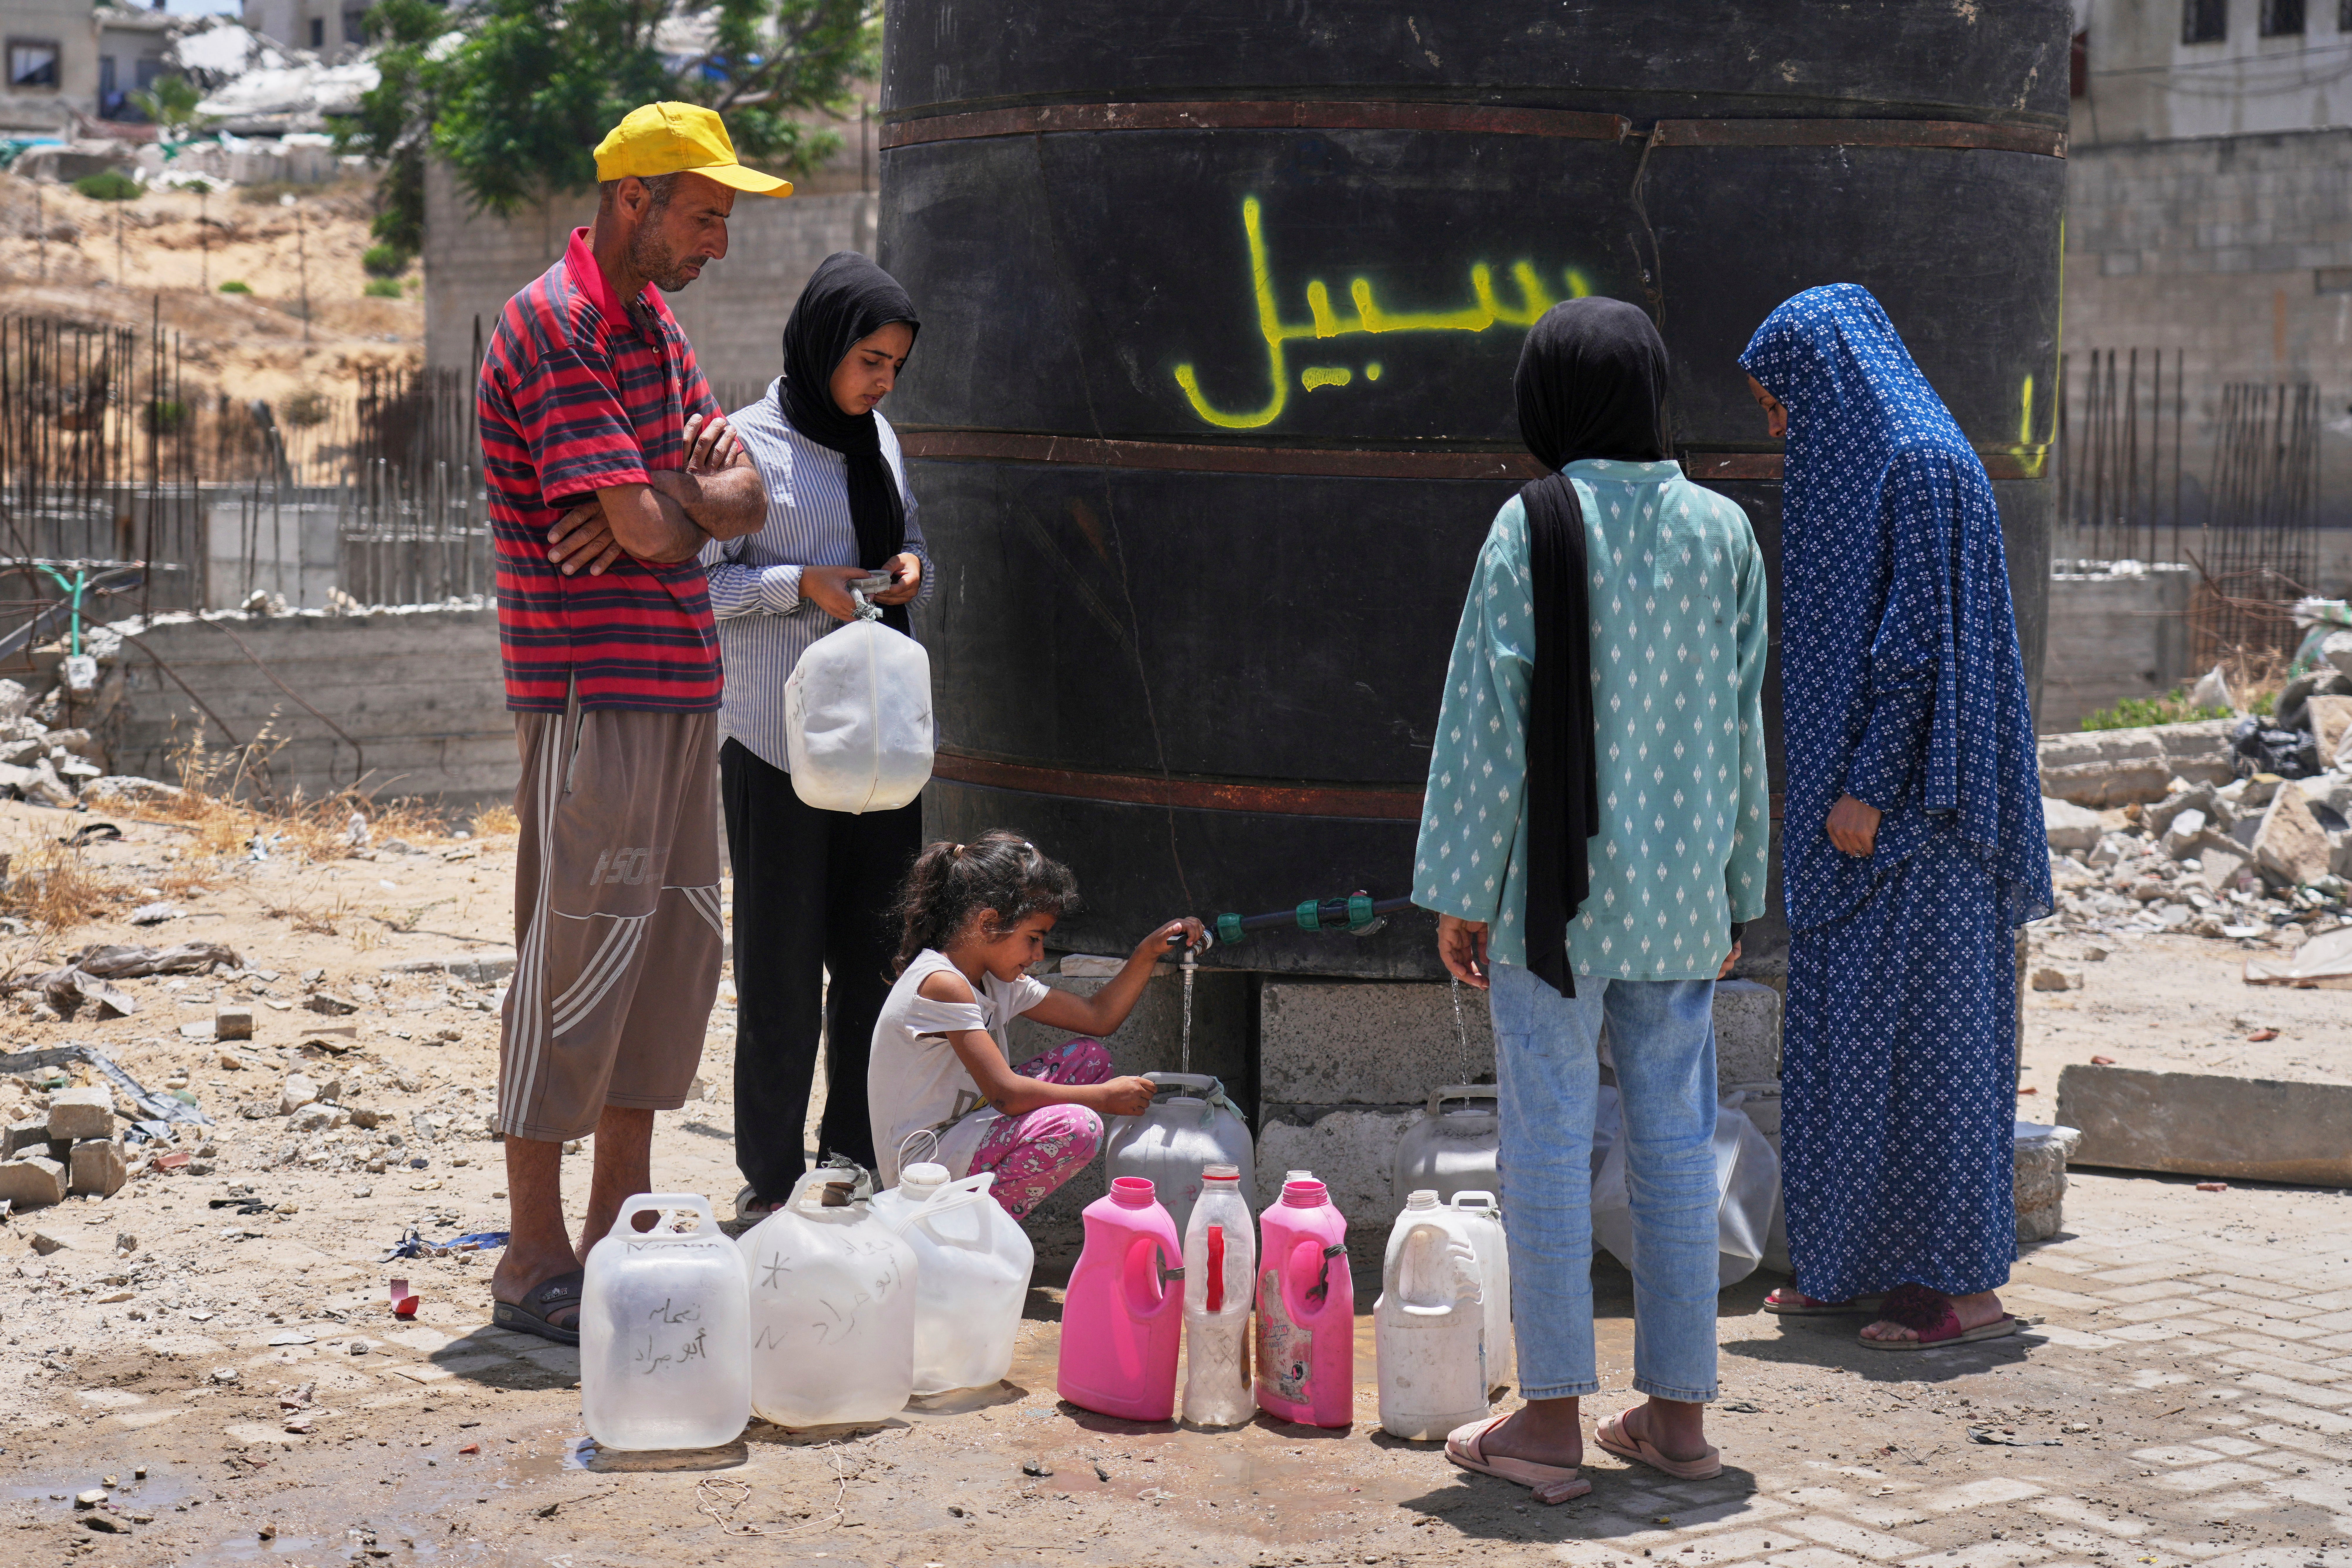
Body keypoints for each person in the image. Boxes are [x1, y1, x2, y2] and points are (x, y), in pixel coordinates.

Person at [1413, 298, 1770, 1500]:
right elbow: (1741, 725)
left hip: (1550, 904)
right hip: (1681, 898)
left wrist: (1462, 890)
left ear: (1550, 396)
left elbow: (1485, 723)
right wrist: (1739, 889)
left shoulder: (1530, 523)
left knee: (1549, 1148)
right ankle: (1679, 1420)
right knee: (1675, 1149)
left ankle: (1551, 1419)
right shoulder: (1724, 530)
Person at [477, 102, 788, 1345]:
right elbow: (675, 525)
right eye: (705, 215)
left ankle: (616, 1227)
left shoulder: (651, 326)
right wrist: (681, 498)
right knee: (574, 957)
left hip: (678, 688)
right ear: (634, 199)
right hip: (589, 692)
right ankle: (530, 1255)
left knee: (665, 961)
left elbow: (746, 495)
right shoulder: (553, 325)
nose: (719, 241)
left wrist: (669, 496)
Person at [1738, 284, 2050, 1349]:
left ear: (1829, 380)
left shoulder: (1918, 465)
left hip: (1921, 823)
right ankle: (1853, 1264)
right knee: (1849, 1045)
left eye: (1779, 402)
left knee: (1932, 1053)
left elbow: (1916, 644)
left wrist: (1868, 786)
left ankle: (1957, 1285)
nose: (1775, 427)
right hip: (1858, 827)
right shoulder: (1872, 461)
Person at [703, 253, 932, 1222]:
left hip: (878, 753)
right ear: (823, 344)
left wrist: (908, 567)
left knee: (876, 964)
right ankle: (770, 1177)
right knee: (781, 972)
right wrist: (798, 584)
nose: (883, 384)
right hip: (778, 749)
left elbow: (910, 539)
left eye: (895, 367)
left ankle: (848, 1165)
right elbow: (698, 587)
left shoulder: (878, 439)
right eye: (870, 361)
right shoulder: (742, 447)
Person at [867, 830, 1205, 1218]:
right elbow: (1005, 1095)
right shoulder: (943, 983)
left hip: (968, 1129)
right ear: (988, 924)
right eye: (1033, 938)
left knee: (1090, 1059)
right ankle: (961, 1230)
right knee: (1079, 1127)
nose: (1040, 954)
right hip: (923, 1167)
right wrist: (1103, 1098)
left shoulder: (995, 979)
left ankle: (974, 1218)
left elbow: (1098, 1016)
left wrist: (1147, 952)